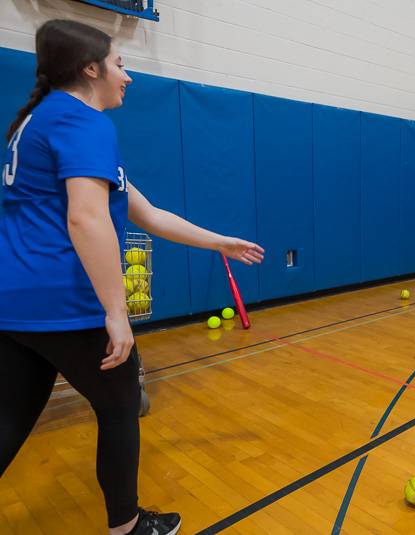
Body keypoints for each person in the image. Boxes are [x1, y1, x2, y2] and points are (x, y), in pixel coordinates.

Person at [0, 19, 264, 535]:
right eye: (121, 64)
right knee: (120, 406)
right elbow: (87, 218)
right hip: (65, 303)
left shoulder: (40, 120)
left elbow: (145, 211)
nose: (128, 76)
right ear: (91, 68)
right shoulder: (83, 122)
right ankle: (127, 526)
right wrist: (116, 312)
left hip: (15, 304)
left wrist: (219, 242)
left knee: (9, 419)